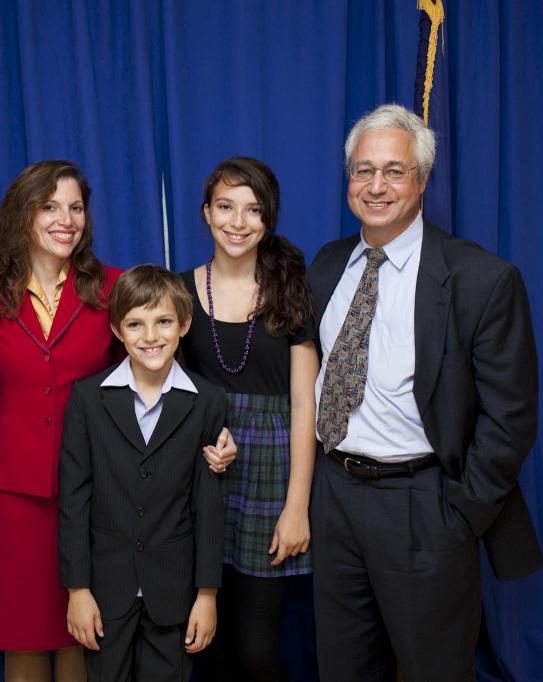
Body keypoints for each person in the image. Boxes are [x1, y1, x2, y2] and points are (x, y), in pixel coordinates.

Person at [0, 162, 236, 681]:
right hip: (14, 497)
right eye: (49, 207)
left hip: (96, 498)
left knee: (83, 635)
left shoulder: (112, 288)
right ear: (23, 214)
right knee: (20, 636)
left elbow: (160, 368)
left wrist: (213, 435)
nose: (66, 219)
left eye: (76, 207)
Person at [308, 103, 542, 681]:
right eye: (363, 170)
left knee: (434, 669)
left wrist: (459, 514)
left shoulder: (481, 279)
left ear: (422, 181)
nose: (376, 185)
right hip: (334, 498)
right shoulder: (328, 265)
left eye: (394, 170)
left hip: (422, 506)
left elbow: (511, 417)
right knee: (342, 669)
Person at [179, 157, 319, 679]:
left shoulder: (289, 290)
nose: (238, 222)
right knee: (203, 643)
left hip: (271, 473)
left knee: (257, 650)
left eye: (253, 210)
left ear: (268, 220)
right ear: (206, 214)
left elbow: (304, 404)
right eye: (225, 207)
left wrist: (297, 506)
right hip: (203, 466)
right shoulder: (181, 291)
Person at [59, 264, 227, 681]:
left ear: (185, 324)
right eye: (136, 324)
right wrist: (77, 589)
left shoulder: (207, 401)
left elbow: (208, 505)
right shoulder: (88, 398)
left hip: (174, 590)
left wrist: (207, 594)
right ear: (117, 330)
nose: (150, 337)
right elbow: (74, 499)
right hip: (106, 590)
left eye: (163, 321)